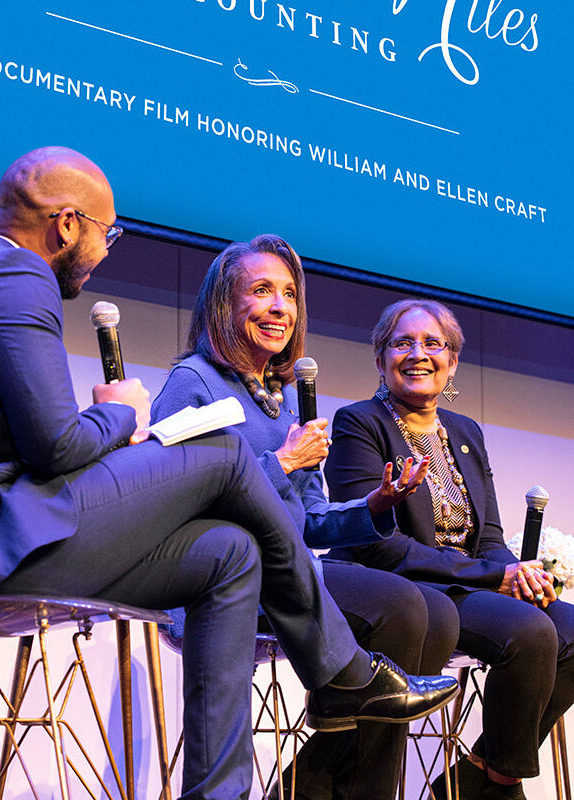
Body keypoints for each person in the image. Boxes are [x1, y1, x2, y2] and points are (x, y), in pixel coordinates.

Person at [0, 151, 457, 800]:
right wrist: (118, 413)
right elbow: (56, 448)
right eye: (106, 233)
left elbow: (35, 447)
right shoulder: (16, 277)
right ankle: (342, 674)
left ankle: (223, 790)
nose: (104, 250)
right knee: (221, 452)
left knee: (229, 553)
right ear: (65, 224)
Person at [151, 235, 460, 800]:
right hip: (225, 579)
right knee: (401, 606)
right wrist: (284, 461)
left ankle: (336, 752)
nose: (280, 308)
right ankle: (345, 742)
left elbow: (310, 518)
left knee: (435, 611)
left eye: (290, 294)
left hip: (291, 571)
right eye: (262, 291)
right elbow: (173, 497)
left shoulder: (283, 398)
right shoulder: (193, 382)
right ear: (224, 303)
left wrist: (375, 506)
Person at [324, 298, 574, 800]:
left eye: (433, 344)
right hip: (408, 588)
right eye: (402, 343)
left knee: (570, 627)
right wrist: (493, 577)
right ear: (380, 359)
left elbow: (489, 537)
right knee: (530, 632)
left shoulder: (464, 431)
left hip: (469, 583)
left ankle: (484, 774)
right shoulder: (359, 423)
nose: (418, 354)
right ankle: (500, 790)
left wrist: (518, 574)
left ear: (452, 361)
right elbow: (375, 545)